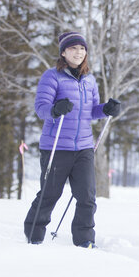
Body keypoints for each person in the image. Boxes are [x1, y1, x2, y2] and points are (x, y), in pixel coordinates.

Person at [24, 31, 121, 248]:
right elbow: (41, 109)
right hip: (56, 146)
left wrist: (106, 109)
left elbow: (91, 111)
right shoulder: (52, 76)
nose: (79, 53)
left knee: (87, 197)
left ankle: (85, 239)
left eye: (82, 49)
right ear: (64, 52)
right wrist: (55, 109)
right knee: (50, 194)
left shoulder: (89, 79)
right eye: (73, 48)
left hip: (84, 147)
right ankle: (34, 234)